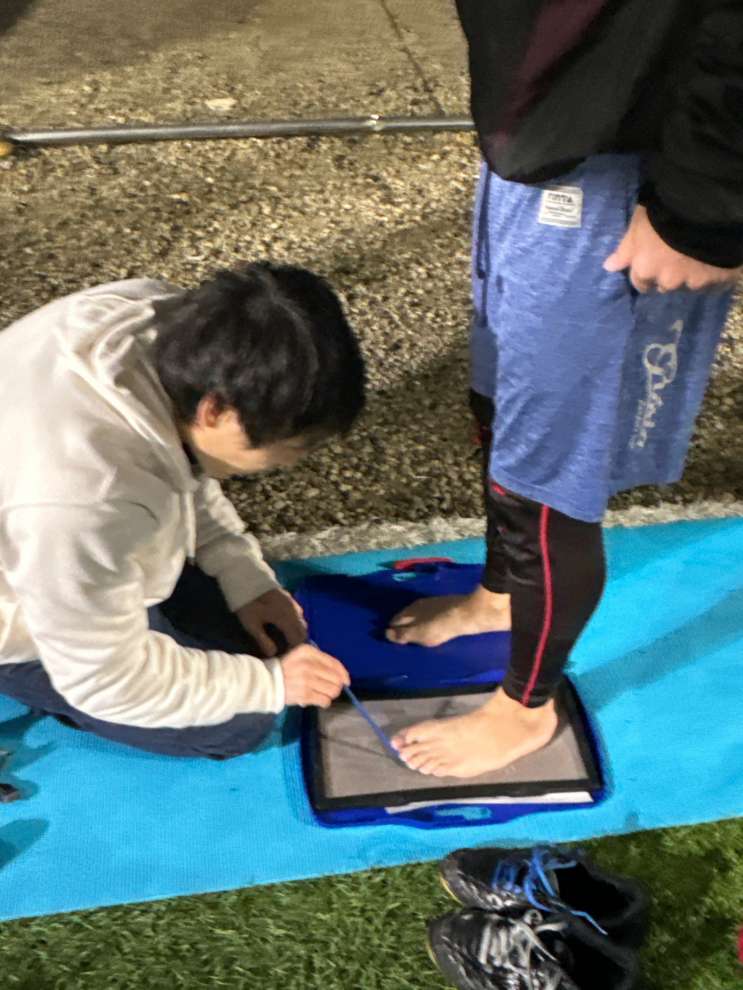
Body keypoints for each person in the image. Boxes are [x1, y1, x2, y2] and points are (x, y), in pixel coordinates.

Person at [387, 0, 743, 778]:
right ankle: (498, 595)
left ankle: (525, 708)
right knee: (497, 406)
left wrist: (702, 209)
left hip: (622, 158)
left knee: (547, 475)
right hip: (540, 136)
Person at [0, 263, 363, 758]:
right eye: (290, 448)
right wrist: (273, 686)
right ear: (217, 410)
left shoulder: (161, 317)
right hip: (22, 603)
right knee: (238, 724)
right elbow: (105, 681)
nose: (289, 463)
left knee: (248, 646)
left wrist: (243, 576)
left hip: (49, 535)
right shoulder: (86, 498)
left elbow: (186, 463)